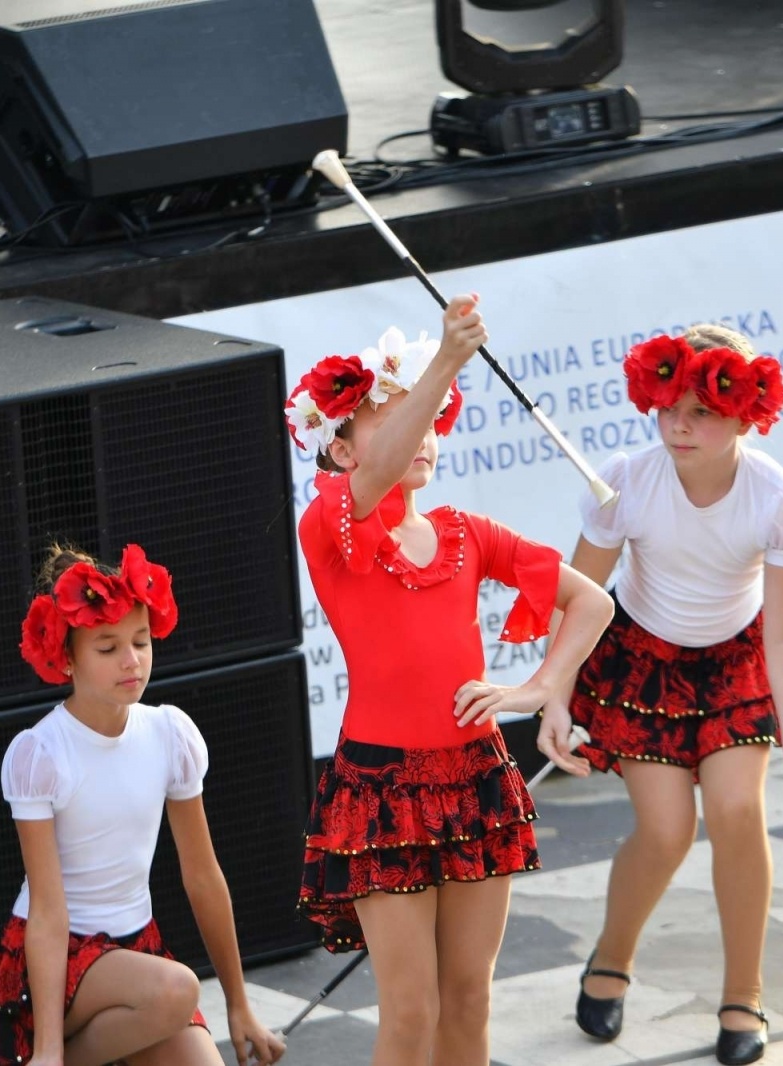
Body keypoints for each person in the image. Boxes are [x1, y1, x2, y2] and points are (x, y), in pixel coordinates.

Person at [287, 296, 616, 1066]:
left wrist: (540, 688)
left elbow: (592, 602)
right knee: (412, 1012)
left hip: (476, 780)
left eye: (430, 418)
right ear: (341, 450)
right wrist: (444, 361)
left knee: (469, 1001)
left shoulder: (469, 534)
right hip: (381, 790)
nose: (423, 433)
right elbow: (376, 477)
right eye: (393, 420)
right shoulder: (329, 523)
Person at [556, 326, 783, 1065]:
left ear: (747, 416)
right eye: (668, 408)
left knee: (738, 811)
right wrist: (553, 697)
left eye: (702, 413)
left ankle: (743, 994)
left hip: (733, 665)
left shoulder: (779, 498)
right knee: (665, 832)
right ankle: (611, 956)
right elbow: (578, 600)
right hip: (642, 664)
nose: (678, 426)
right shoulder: (627, 481)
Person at [0, 543, 284, 1066]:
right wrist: (48, 1048)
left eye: (141, 641)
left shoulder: (170, 733)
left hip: (138, 951)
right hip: (57, 961)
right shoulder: (41, 752)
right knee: (177, 988)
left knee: (183, 1016)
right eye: (107, 648)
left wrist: (240, 1005)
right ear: (66, 657)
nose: (131, 660)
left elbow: (203, 876)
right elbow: (47, 910)